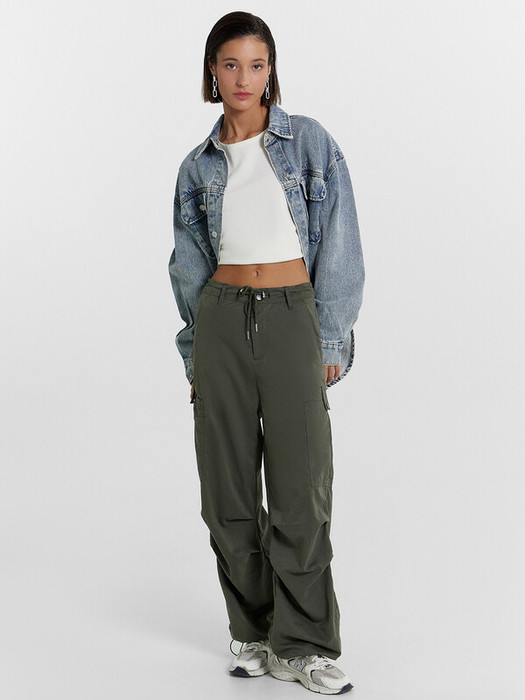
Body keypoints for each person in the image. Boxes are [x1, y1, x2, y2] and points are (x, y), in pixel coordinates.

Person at [168, 11, 365, 696]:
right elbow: (188, 267)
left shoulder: (308, 142)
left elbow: (341, 242)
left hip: (291, 318)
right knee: (225, 493)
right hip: (220, 321)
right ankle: (253, 632)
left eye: (256, 64)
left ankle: (303, 644)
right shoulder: (196, 166)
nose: (243, 78)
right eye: (230, 64)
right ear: (212, 72)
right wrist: (196, 355)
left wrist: (330, 337)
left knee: (300, 492)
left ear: (271, 71)